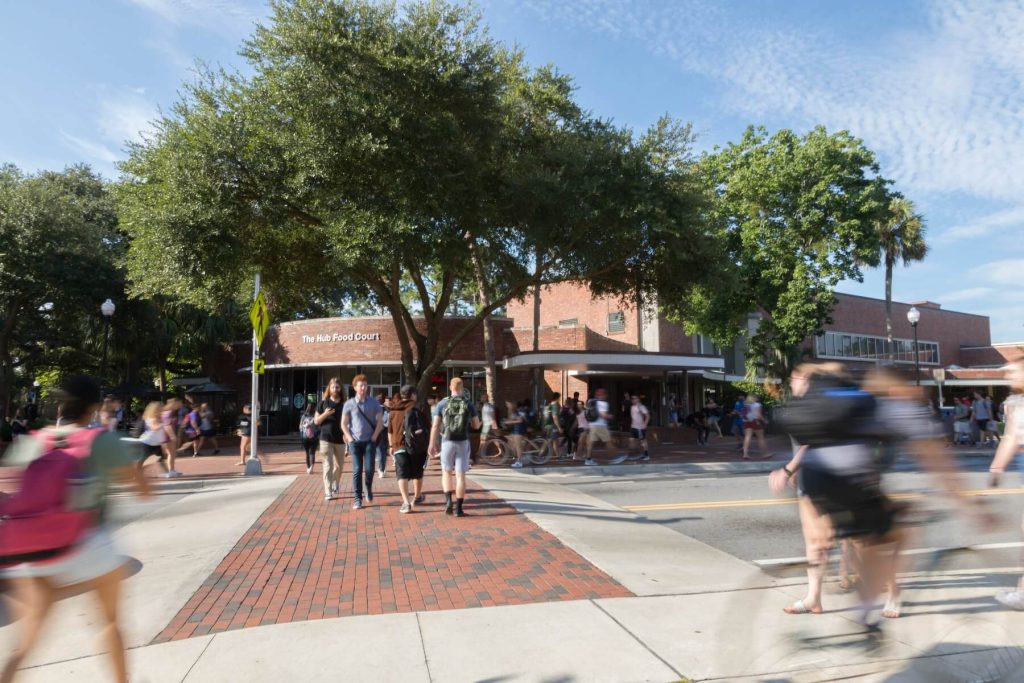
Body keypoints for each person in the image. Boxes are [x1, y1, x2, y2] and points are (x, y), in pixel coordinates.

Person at [0, 376, 152, 683]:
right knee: (110, 623)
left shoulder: (35, 439)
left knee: (28, 638)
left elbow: (11, 486)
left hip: (32, 551)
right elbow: (141, 491)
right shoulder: (100, 440)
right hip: (87, 545)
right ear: (94, 408)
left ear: (60, 405)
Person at [988, 360, 1024, 609]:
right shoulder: (1014, 403)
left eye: (1013, 371)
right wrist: (996, 468)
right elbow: (1011, 436)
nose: (1008, 375)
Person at [428, 377, 481, 516]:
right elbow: (476, 425)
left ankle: (448, 502)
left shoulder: (442, 404)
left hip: (447, 441)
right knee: (460, 476)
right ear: (462, 387)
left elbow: (435, 426)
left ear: (450, 388)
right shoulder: (468, 404)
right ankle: (459, 509)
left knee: (446, 472)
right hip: (463, 442)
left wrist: (432, 444)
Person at [341, 374, 384, 510]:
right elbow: (343, 424)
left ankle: (368, 488)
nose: (364, 388)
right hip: (355, 442)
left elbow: (380, 422)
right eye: (361, 385)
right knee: (357, 470)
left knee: (370, 469)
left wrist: (375, 436)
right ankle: (357, 498)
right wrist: (349, 437)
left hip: (369, 441)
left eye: (365, 385)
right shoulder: (349, 404)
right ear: (355, 387)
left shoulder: (374, 403)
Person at [389, 386, 429, 513]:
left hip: (398, 446)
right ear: (412, 395)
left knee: (402, 474)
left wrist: (391, 446)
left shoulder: (393, 411)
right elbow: (427, 427)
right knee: (417, 472)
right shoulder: (418, 409)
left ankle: (406, 503)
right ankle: (417, 497)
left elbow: (389, 431)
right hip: (416, 447)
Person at [316, 378, 346, 501]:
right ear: (329, 388)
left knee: (339, 466)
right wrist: (325, 414)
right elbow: (316, 421)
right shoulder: (323, 403)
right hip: (325, 438)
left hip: (340, 439)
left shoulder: (345, 404)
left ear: (340, 389)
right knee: (328, 465)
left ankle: (335, 482)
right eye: (333, 387)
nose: (335, 389)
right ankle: (328, 490)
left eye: (337, 387)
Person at [584, 388, 628, 466]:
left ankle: (588, 459)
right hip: (601, 426)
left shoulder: (592, 402)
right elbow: (603, 415)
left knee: (591, 443)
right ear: (603, 395)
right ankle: (615, 458)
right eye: (604, 394)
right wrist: (610, 416)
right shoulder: (603, 403)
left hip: (592, 425)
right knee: (608, 442)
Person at [137, 401, 170, 474]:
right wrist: (164, 424)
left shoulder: (160, 417)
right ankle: (137, 473)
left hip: (156, 443)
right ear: (156, 409)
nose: (162, 409)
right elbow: (154, 427)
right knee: (143, 458)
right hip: (147, 442)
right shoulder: (151, 418)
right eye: (161, 408)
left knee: (162, 457)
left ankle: (166, 472)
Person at [742, 394, 769, 460]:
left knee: (747, 438)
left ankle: (745, 454)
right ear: (754, 398)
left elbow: (744, 413)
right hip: (756, 422)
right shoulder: (758, 405)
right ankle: (765, 454)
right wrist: (765, 420)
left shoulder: (746, 404)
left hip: (748, 422)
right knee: (760, 438)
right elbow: (758, 414)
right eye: (756, 397)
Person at [160, 399, 182, 477]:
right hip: (167, 436)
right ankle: (171, 471)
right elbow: (167, 426)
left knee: (172, 453)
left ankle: (172, 470)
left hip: (166, 436)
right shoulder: (168, 413)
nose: (179, 405)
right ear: (173, 404)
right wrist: (173, 436)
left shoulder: (168, 413)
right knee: (171, 453)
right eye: (178, 403)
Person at [507, 399, 529, 469]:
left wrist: (509, 422)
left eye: (511, 405)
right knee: (512, 444)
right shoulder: (517, 411)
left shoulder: (520, 411)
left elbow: (520, 420)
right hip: (516, 430)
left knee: (518, 447)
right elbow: (511, 418)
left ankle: (519, 462)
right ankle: (518, 458)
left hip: (519, 430)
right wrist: (509, 409)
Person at [542, 392, 565, 459]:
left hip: (548, 425)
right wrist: (559, 427)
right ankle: (540, 454)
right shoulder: (555, 405)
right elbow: (555, 417)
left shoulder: (550, 404)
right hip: (552, 426)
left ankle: (558, 455)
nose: (560, 399)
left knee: (555, 441)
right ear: (558, 398)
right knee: (548, 441)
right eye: (560, 397)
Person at [629, 394, 651, 461]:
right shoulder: (632, 407)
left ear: (638, 399)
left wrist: (645, 424)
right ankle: (636, 454)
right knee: (632, 441)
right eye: (632, 398)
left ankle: (646, 455)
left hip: (640, 428)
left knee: (643, 441)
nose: (633, 400)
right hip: (634, 427)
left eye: (635, 398)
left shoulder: (641, 406)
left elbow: (647, 416)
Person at [299, 403, 318, 474]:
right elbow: (318, 426)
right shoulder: (315, 416)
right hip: (314, 437)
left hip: (305, 437)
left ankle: (308, 467)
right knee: (312, 453)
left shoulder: (303, 416)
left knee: (307, 453)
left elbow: (300, 426)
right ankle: (311, 468)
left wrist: (303, 431)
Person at [374, 390, 390, 478]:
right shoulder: (387, 409)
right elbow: (388, 422)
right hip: (385, 432)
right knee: (383, 451)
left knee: (380, 451)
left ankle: (381, 469)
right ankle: (382, 469)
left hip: (377, 432)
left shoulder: (374, 409)